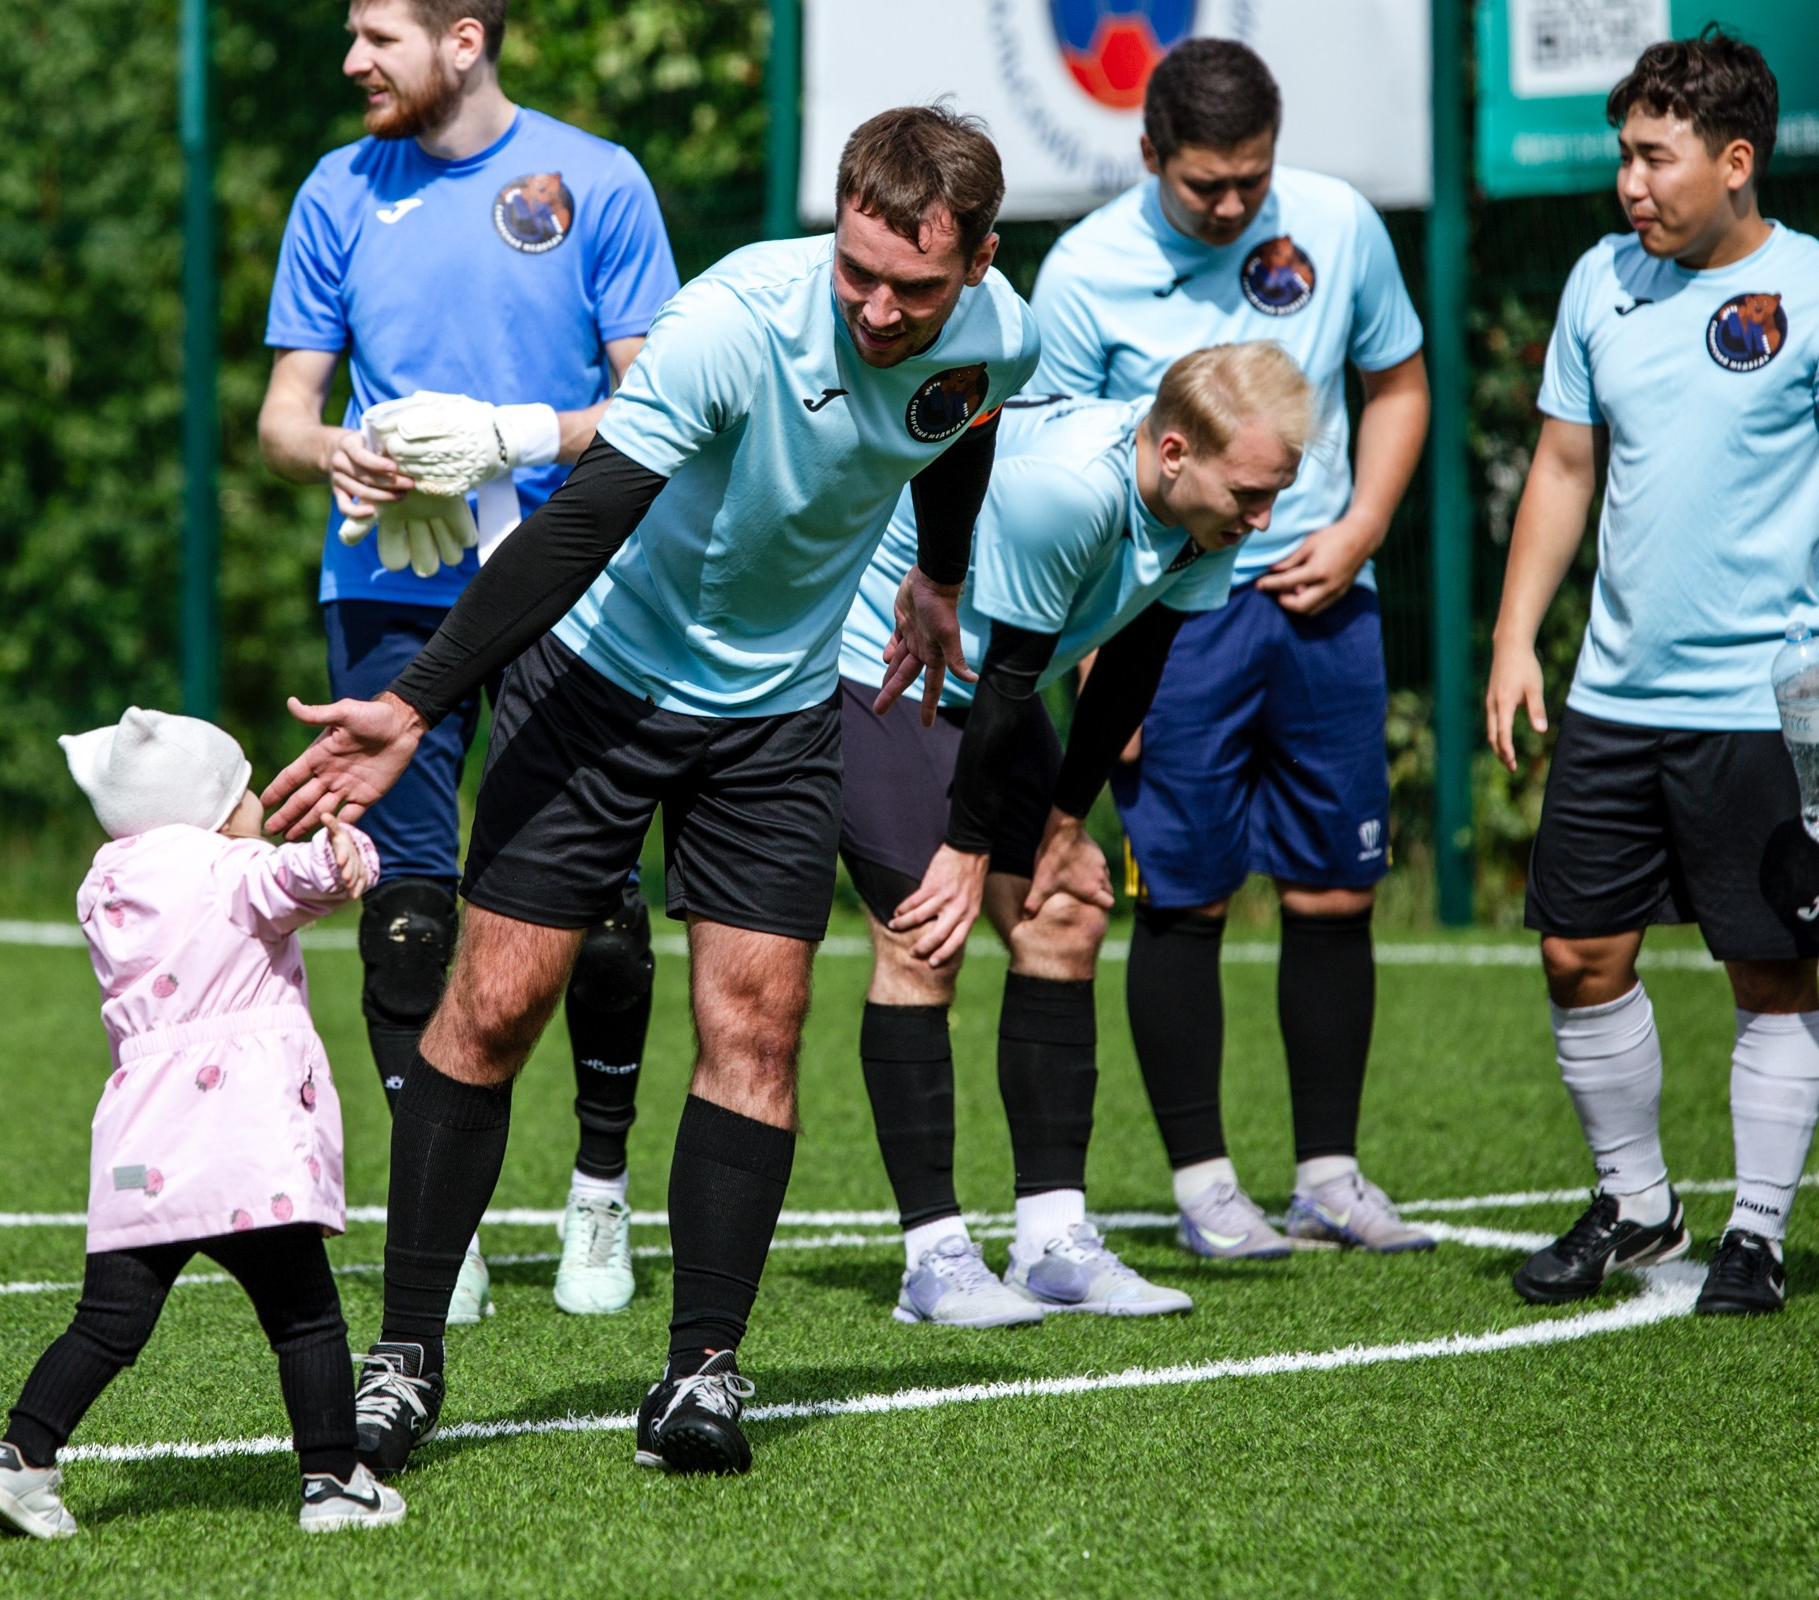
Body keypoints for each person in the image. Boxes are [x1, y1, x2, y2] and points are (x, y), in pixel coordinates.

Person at [263, 104, 1038, 1476]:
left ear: (978, 260)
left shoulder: (995, 332)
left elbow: (956, 421)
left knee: (760, 1020)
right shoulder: (733, 323)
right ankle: (406, 1355)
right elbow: (580, 523)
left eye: (911, 286)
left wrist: (942, 570)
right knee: (495, 1002)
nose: (873, 305)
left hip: (779, 713)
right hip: (596, 677)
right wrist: (411, 703)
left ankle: (700, 1375)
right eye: (856, 268)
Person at [257, 0, 680, 1321]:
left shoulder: (596, 183)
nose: (351, 62)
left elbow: (657, 406)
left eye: (378, 34)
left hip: (575, 587)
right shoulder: (337, 191)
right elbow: (282, 416)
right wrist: (346, 452)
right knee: (404, 909)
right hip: (390, 586)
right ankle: (451, 1213)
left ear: (466, 36)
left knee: (599, 908)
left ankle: (599, 1197)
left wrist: (512, 435)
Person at [1024, 39, 1434, 1259]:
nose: (1233, 204)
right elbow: (1055, 463)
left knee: (1334, 888)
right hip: (1163, 623)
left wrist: (1359, 528)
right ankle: (1205, 1187)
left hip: (1321, 607)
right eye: (1206, 183)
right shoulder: (1086, 269)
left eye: (1251, 177)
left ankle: (1330, 1174)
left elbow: (1401, 383)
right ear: (1149, 155)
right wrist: (1095, 659)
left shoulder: (1339, 224)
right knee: (1186, 897)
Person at [844, 345, 1314, 1326]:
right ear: (1174, 450)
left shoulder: (1209, 503)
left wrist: (1061, 828)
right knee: (925, 932)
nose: (1262, 519)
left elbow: (1136, 655)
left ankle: (1052, 1241)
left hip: (990, 676)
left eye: (1274, 493)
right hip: (877, 660)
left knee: (1064, 913)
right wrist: (969, 853)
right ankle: (932, 1260)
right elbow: (1015, 676)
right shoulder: (1067, 492)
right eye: (1250, 493)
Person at [1486, 30, 1819, 1317]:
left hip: (1772, 702)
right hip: (1616, 695)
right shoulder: (1598, 284)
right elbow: (1566, 469)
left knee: (1772, 969)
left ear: (1735, 163)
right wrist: (1518, 638)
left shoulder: (1808, 287)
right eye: (1623, 154)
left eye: (1652, 156)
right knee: (1579, 950)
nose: (1628, 182)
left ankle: (1761, 1230)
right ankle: (1637, 1207)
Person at [0, 708, 399, 1537]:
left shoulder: (109, 889)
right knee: (305, 1317)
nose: (259, 803)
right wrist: (347, 855)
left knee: (108, 1322)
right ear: (216, 810)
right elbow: (293, 879)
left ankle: (21, 1459)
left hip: (146, 1136)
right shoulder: (231, 869)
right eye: (246, 790)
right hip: (242, 1140)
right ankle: (335, 1482)